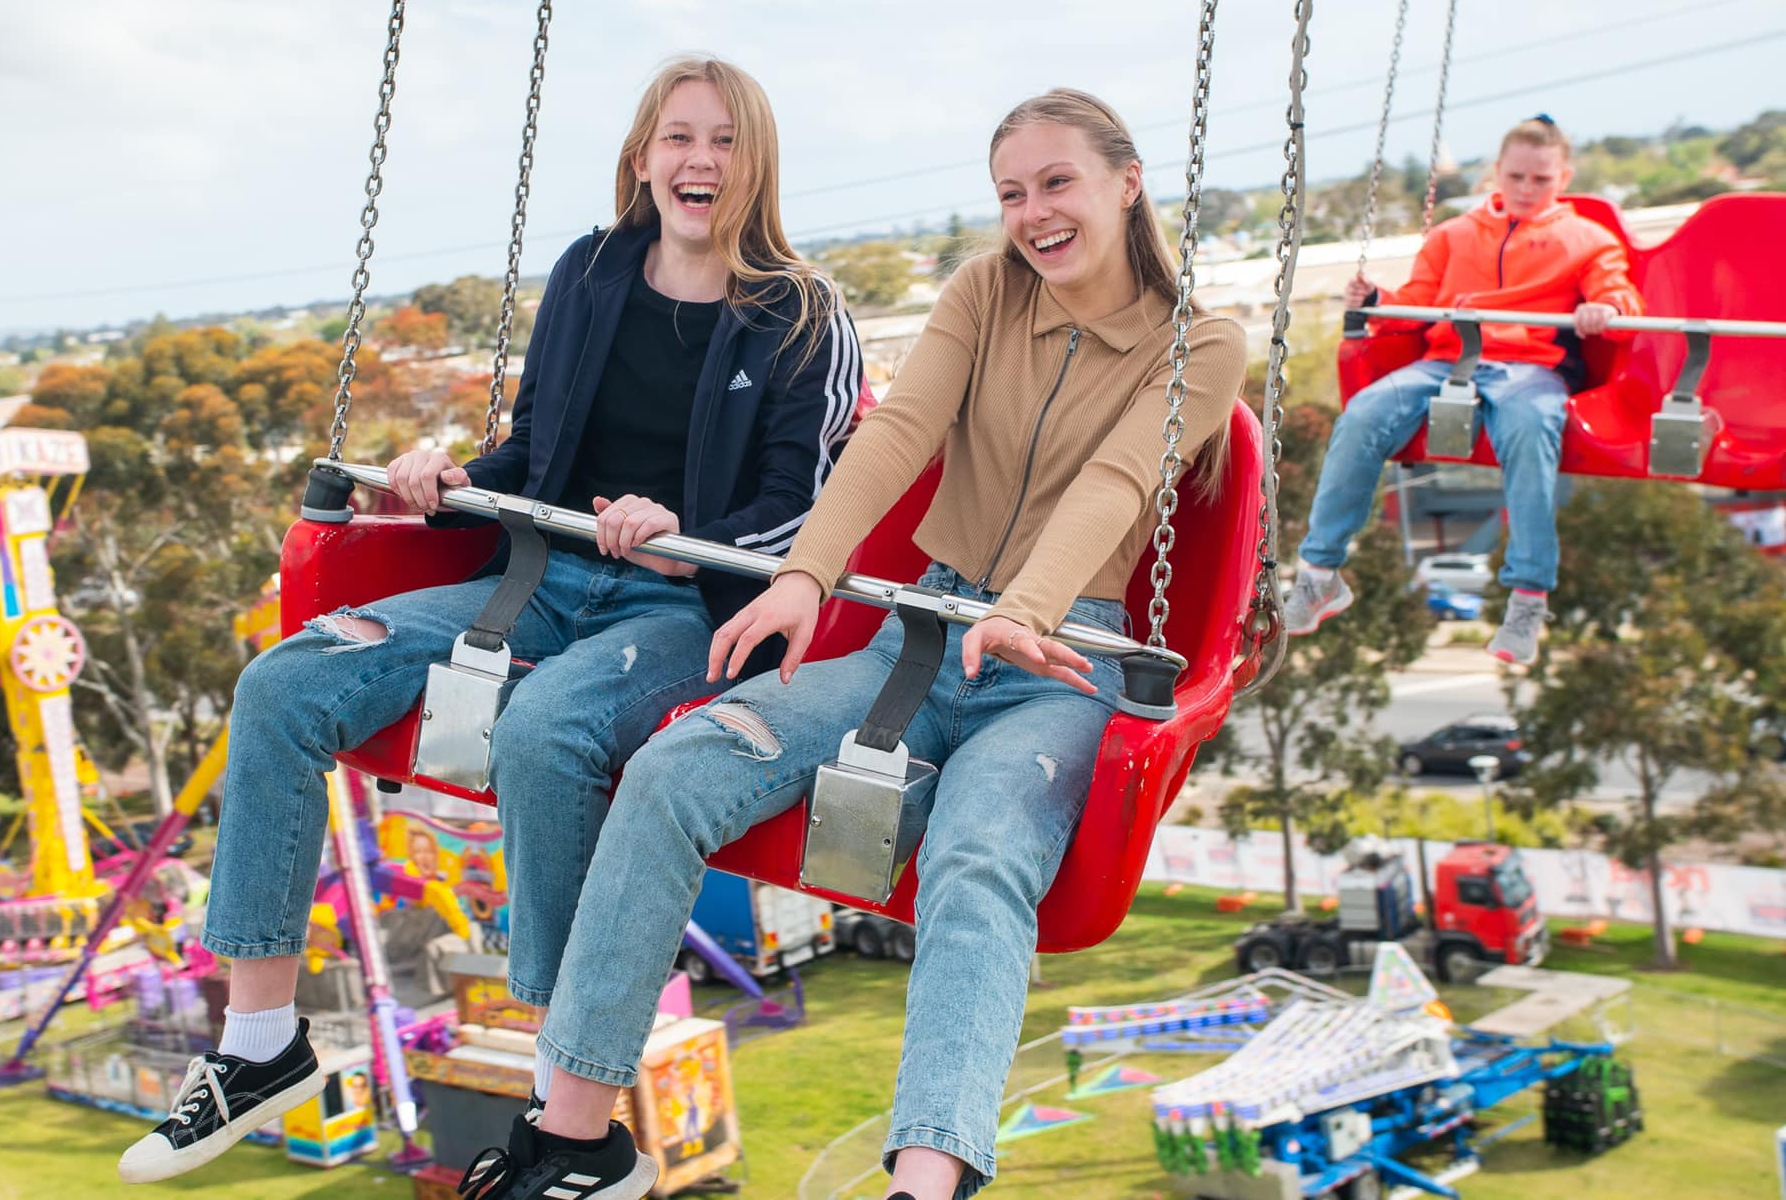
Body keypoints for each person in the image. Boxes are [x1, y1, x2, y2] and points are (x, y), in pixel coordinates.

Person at [453, 89, 1246, 1200]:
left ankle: (925, 1181)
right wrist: (800, 578)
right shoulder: (983, 291)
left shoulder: (1202, 342)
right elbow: (896, 435)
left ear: (1127, 181)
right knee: (677, 766)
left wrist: (1026, 606)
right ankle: (579, 1135)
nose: (1032, 213)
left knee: (977, 857)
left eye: (1055, 182)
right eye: (1011, 193)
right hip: (915, 633)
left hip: (1060, 658)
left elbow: (1116, 480)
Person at [117, 56, 862, 1184]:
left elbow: (799, 515)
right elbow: (533, 454)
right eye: (676, 138)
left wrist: (677, 522)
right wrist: (444, 475)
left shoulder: (801, 313)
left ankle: (568, 1122)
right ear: (641, 156)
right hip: (540, 575)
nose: (697, 160)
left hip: (684, 603)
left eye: (722, 141)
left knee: (546, 729)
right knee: (282, 684)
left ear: (755, 163)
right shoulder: (590, 272)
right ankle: (259, 1041)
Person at [1283, 115, 1641, 664]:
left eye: (1540, 180)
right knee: (1361, 415)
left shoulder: (1588, 241)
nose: (1525, 190)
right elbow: (1417, 302)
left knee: (1529, 428)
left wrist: (1607, 308)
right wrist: (1379, 297)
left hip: (1528, 365)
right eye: (1516, 175)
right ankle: (1320, 574)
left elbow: (1617, 291)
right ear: (1496, 171)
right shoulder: (1453, 234)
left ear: (1563, 177)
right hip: (1446, 359)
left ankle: (1527, 599)